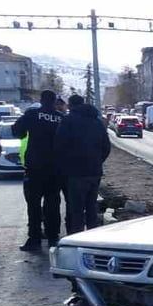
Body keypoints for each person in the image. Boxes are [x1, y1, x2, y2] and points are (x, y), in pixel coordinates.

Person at [12, 90, 65, 251]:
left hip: (35, 167)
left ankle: (34, 239)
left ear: (41, 100)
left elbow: (17, 131)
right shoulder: (61, 118)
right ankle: (53, 237)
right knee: (53, 203)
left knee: (33, 205)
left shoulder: (32, 114)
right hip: (55, 167)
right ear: (55, 101)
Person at [55, 94, 110, 234]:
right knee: (91, 207)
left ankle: (77, 238)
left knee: (76, 209)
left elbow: (59, 145)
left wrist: (65, 165)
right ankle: (92, 238)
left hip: (75, 172)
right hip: (94, 172)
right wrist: (97, 161)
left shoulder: (68, 120)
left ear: (70, 105)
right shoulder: (97, 122)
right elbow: (106, 147)